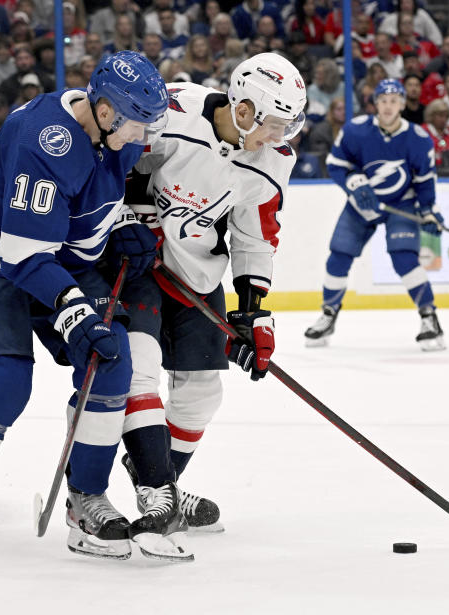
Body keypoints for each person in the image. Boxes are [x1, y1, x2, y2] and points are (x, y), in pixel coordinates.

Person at [0, 51, 170, 576]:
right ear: (104, 109)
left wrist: (119, 232)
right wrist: (75, 310)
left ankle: (86, 499)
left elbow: (82, 210)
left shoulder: (113, 133)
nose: (145, 135)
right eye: (138, 122)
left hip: (56, 253)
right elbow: (23, 256)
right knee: (4, 382)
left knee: (110, 363)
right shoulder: (46, 139)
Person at [116, 52, 305, 544]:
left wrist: (252, 309)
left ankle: (163, 485)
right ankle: (157, 490)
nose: (279, 138)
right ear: (244, 111)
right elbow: (118, 159)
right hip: (139, 266)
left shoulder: (271, 163)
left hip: (197, 273)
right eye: (275, 126)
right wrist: (129, 219)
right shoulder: (172, 112)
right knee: (139, 368)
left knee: (202, 393)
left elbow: (255, 236)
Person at [305, 79, 444, 351]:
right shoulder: (356, 130)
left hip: (401, 204)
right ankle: (328, 314)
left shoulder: (418, 138)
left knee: (404, 259)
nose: (388, 106)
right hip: (362, 204)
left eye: (394, 101)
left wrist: (429, 210)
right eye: (383, 100)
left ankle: (430, 318)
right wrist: (355, 184)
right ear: (375, 103)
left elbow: (425, 180)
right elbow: (336, 164)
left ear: (403, 104)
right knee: (339, 256)